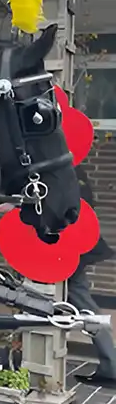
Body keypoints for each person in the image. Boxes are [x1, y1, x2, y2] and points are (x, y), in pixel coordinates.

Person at [70, 164, 116, 387]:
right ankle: (10, 356)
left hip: (62, 253)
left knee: (85, 307)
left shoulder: (56, 170)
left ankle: (112, 365)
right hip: (71, 249)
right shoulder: (74, 169)